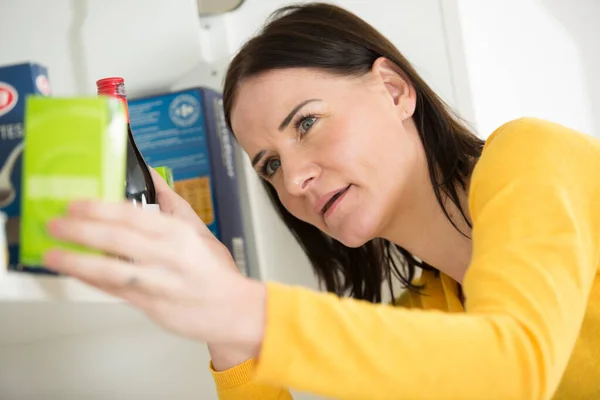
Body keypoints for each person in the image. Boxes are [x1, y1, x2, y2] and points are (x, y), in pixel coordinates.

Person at [43, 3, 599, 399]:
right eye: (270, 165)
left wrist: (241, 306)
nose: (294, 181)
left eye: (307, 122)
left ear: (394, 89)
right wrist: (226, 323)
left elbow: (516, 366)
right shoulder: (431, 316)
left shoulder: (533, 154)